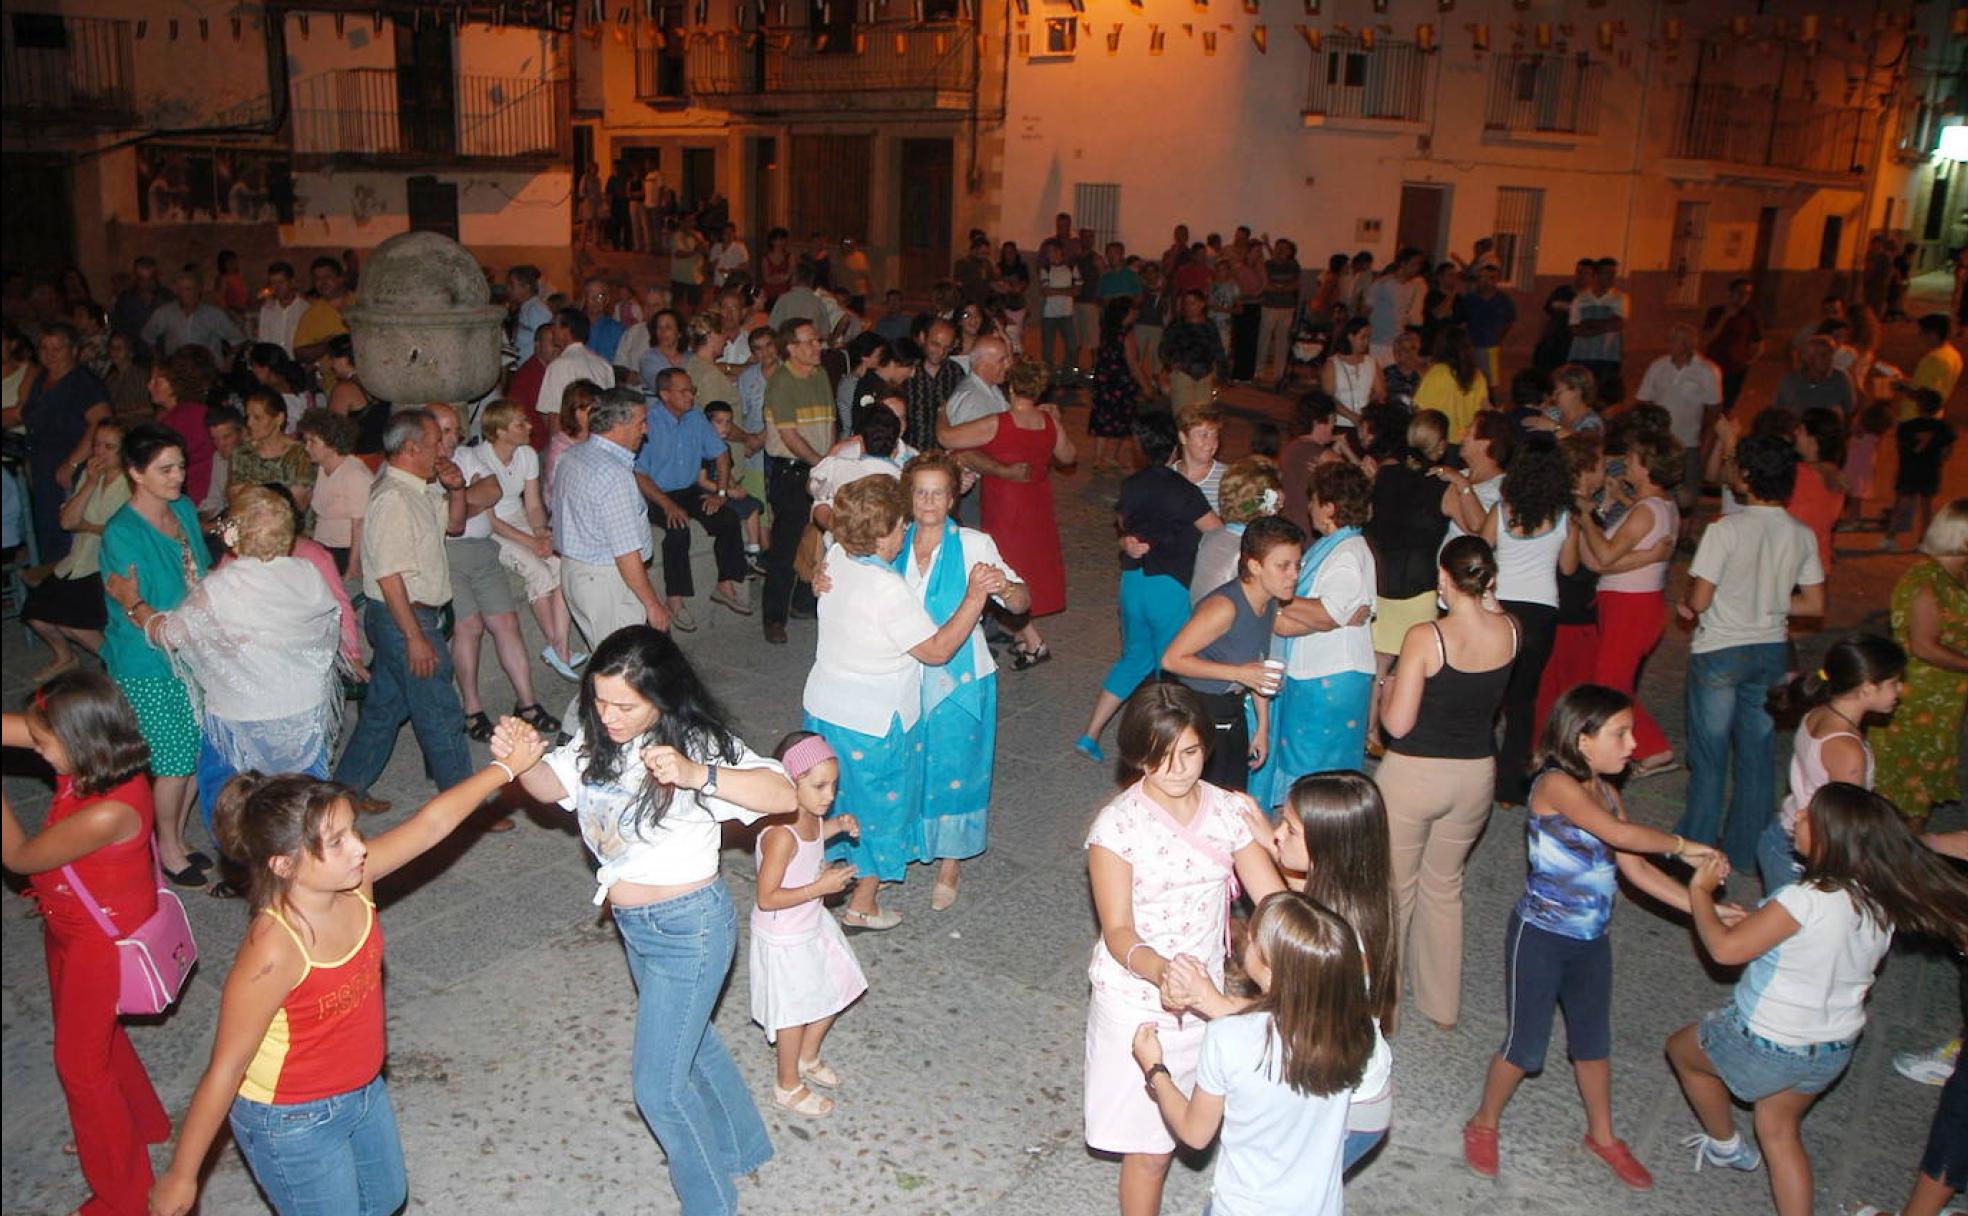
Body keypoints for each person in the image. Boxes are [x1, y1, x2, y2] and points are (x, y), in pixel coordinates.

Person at [148, 722, 547, 1216]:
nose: (358, 847)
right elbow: (225, 1069)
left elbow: (430, 825)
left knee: (385, 1199)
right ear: (283, 865)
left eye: (352, 831)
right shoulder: (274, 950)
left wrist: (507, 768)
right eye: (335, 842)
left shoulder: (356, 881)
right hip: (291, 1119)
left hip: (362, 1087)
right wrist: (183, 1175)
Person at [513, 626, 788, 1211]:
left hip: (690, 928)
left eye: (623, 705)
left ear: (660, 698)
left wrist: (698, 776)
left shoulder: (696, 742)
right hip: (637, 929)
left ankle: (710, 1202)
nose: (607, 715)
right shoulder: (599, 736)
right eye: (599, 700)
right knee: (695, 1041)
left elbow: (782, 794)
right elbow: (550, 786)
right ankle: (743, 1144)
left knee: (658, 1091)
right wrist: (522, 762)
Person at [1667, 784, 1968, 1216]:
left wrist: (1700, 892)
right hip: (1832, 1047)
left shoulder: (1803, 899)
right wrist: (1761, 922)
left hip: (1767, 1041)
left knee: (1682, 1050)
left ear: (1828, 839)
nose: (1799, 813)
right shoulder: (1878, 899)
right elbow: (1816, 942)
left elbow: (1724, 951)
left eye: (1810, 813)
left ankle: (1725, 1144)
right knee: (1778, 1128)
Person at [1463, 685, 1720, 1190]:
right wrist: (1686, 845)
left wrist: (1703, 905)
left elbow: (1636, 870)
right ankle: (1483, 1122)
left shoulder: (1608, 792)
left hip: (1591, 941)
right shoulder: (1555, 786)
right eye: (1621, 733)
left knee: (1593, 1043)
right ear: (1583, 739)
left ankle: (1602, 1136)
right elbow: (1621, 836)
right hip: (1539, 937)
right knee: (1524, 1046)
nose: (1633, 745)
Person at [1084, 682, 1285, 1216]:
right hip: (1138, 995)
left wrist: (1284, 847)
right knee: (1149, 1150)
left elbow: (1273, 903)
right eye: (1161, 757)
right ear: (1136, 755)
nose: (1178, 769)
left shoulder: (1228, 811)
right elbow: (1119, 930)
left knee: (1193, 1131)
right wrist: (1163, 971)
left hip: (1205, 996)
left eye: (1191, 753)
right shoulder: (1115, 829)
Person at [0, 673, 169, 1216]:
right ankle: (138, 1124)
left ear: (77, 740)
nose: (38, 753)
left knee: (80, 1064)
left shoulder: (106, 809)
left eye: (44, 745)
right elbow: (24, 730)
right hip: (71, 923)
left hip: (100, 940)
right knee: (97, 1037)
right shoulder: (94, 752)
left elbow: (21, 859)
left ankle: (122, 1197)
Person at [805, 474, 1004, 930]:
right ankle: (863, 901)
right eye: (899, 526)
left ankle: (827, 876)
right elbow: (936, 650)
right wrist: (975, 599)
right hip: (875, 719)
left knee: (836, 797)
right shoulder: (885, 586)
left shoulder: (837, 556)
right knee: (878, 807)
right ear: (880, 532)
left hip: (825, 708)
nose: (903, 533)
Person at [107, 481, 354, 844]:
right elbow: (321, 628)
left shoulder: (223, 586)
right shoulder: (306, 573)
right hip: (303, 711)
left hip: (241, 720)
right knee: (304, 802)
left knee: (234, 808)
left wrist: (134, 603)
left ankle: (250, 866)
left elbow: (171, 635)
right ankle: (303, 865)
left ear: (234, 536)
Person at [1130, 892, 1372, 1216]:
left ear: (1271, 972)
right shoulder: (1352, 1029)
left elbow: (1195, 1133)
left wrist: (1155, 1070)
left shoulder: (1229, 1039)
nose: (1248, 935)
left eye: (1255, 937)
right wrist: (1208, 997)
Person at [1378, 536, 1519, 1031]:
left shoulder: (1426, 637)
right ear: (1489, 579)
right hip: (1475, 774)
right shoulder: (1511, 631)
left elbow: (1397, 725)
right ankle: (1441, 1006)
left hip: (1416, 774)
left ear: (1443, 579)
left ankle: (1384, 1006)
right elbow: (1493, 610)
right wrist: (1487, 594)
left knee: (1394, 890)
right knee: (1444, 887)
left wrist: (1387, 687)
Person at [1674, 435, 1825, 870]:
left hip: (1721, 648)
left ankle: (1697, 847)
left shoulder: (1726, 529)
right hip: (1771, 650)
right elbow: (1814, 604)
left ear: (1747, 476)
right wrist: (1772, 601)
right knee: (1758, 755)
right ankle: (1745, 851)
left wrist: (1691, 600)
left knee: (1710, 755)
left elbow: (1700, 599)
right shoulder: (1800, 533)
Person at [892, 454, 1030, 910]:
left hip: (961, 677)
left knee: (955, 765)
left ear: (953, 498)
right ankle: (911, 840)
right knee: (910, 760)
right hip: (902, 673)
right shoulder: (892, 540)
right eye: (920, 491)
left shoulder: (974, 543)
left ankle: (951, 860)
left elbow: (1020, 599)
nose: (929, 501)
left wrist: (1004, 589)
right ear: (908, 497)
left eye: (937, 492)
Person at [330, 410, 478, 807]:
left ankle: (345, 789)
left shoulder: (419, 488)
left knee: (383, 709)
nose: (443, 449)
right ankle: (462, 807)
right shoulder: (394, 498)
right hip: (406, 618)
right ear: (411, 448)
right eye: (435, 442)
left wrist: (457, 489)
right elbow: (390, 577)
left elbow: (456, 526)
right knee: (440, 712)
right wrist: (415, 637)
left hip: (409, 616)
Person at [99, 422, 213, 885]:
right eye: (165, 469)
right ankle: (166, 847)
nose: (178, 476)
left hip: (191, 647)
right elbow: (134, 608)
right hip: (147, 660)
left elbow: (199, 573)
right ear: (135, 473)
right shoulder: (121, 532)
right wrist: (144, 608)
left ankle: (178, 837)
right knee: (171, 759)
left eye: (181, 466)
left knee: (192, 749)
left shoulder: (183, 509)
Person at [1077, 414, 1222, 761]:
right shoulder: (1184, 490)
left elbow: (1123, 522)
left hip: (1133, 581)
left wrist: (1132, 541)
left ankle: (1090, 734)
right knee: (1170, 668)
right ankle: (1161, 743)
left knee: (1133, 660)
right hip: (1169, 586)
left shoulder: (1132, 484)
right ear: (1175, 445)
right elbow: (1217, 532)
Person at [749, 732, 868, 1117]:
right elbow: (767, 897)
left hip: (812, 922)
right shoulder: (781, 836)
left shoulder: (813, 817)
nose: (829, 795)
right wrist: (821, 885)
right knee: (793, 1015)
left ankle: (807, 1056)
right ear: (789, 783)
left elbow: (816, 837)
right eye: (818, 785)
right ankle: (786, 1085)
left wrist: (837, 825)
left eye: (834, 785)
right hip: (785, 935)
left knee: (841, 983)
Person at [1253, 461, 1377, 805]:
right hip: (1319, 673)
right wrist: (1323, 614)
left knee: (1319, 777)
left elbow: (1326, 614)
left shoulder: (1348, 554)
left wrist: (1278, 596)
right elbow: (1308, 618)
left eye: (1314, 499)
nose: (1309, 507)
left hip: (1331, 678)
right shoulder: (1336, 547)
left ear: (1330, 507)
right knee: (1311, 769)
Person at [938, 359, 1071, 668]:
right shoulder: (1048, 422)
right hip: (1037, 501)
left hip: (1006, 504)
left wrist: (941, 412)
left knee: (1002, 567)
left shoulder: (999, 422)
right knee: (1026, 566)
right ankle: (1026, 638)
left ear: (1010, 388)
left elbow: (947, 437)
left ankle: (1033, 640)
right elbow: (1068, 455)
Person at [1163, 516, 1303, 792]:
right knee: (1205, 801)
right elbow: (1171, 659)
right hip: (1201, 711)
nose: (1294, 575)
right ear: (1254, 565)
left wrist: (1262, 727)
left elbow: (1258, 668)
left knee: (1231, 798)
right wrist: (1238, 673)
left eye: (1298, 564)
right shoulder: (1224, 607)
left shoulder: (1268, 601)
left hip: (1233, 709)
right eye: (1283, 566)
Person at [1757, 634, 1905, 894]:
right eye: (1894, 682)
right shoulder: (1847, 749)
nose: (1901, 690)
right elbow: (1845, 823)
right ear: (1868, 688)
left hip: (1784, 832)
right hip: (1810, 853)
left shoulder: (1818, 712)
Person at [1574, 430, 1680, 775]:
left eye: (1633, 459)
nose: (1627, 464)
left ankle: (1651, 747)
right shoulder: (1660, 506)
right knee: (1614, 680)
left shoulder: (1645, 511)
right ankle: (1642, 746)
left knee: (1610, 685)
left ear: (1648, 467)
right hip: (1636, 603)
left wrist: (1585, 515)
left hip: (1629, 607)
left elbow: (1603, 556)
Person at [1483, 432, 1581, 806]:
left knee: (1491, 697)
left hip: (1501, 610)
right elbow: (1569, 568)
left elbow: (1482, 548)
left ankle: (1485, 774)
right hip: (1541, 613)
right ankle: (1510, 789)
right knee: (1523, 703)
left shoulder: (1502, 510)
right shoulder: (1563, 518)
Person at [1869, 500, 1968, 824]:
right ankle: (1897, 864)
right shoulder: (1925, 581)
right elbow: (1923, 647)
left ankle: (1905, 863)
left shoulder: (1954, 576)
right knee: (1904, 790)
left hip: (1943, 702)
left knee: (1920, 786)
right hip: (1916, 701)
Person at [635, 368, 753, 629]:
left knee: (727, 518)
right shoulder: (650, 422)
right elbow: (639, 474)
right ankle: (675, 599)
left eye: (692, 390)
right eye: (684, 391)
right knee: (678, 529)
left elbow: (721, 455)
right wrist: (667, 505)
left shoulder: (696, 418)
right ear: (665, 394)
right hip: (656, 492)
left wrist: (720, 493)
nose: (691, 396)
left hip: (688, 489)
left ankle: (725, 584)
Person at [474, 399, 583, 680]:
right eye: (520, 423)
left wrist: (540, 533)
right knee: (537, 572)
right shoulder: (479, 459)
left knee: (562, 566)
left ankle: (559, 645)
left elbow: (533, 504)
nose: (530, 426)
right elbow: (492, 520)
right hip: (494, 528)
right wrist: (530, 542)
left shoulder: (527, 455)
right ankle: (558, 648)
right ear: (499, 431)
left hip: (520, 517)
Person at [553, 387, 670, 646]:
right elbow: (626, 551)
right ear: (620, 424)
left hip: (576, 573)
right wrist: (652, 603)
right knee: (622, 668)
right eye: (641, 422)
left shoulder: (572, 455)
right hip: (607, 582)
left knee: (605, 661)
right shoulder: (614, 474)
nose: (646, 430)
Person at [1361, 403, 1449, 745]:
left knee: (1379, 666)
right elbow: (1478, 527)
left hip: (1384, 581)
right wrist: (1464, 484)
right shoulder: (1441, 486)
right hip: (1419, 586)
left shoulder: (1387, 475)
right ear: (1439, 445)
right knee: (1412, 665)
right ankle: (1398, 728)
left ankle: (1371, 732)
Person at [23, 419, 129, 683]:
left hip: (104, 565)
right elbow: (67, 521)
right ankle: (65, 657)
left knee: (73, 622)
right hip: (76, 561)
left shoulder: (132, 483)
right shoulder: (90, 474)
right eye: (97, 445)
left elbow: (126, 532)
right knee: (37, 616)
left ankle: (119, 666)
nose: (100, 452)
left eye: (109, 447)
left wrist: (89, 526)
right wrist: (90, 484)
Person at [17, 323, 111, 563]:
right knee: (48, 532)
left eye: (58, 348)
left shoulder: (82, 383)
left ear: (74, 350)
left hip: (70, 471)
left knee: (69, 539)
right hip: (42, 469)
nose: (50, 354)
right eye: (45, 348)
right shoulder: (41, 381)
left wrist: (72, 462)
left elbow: (101, 422)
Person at [296, 407, 371, 579]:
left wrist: (353, 566)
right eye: (306, 441)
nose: (307, 447)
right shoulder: (322, 468)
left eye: (312, 442)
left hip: (345, 550)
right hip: (322, 544)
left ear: (331, 443)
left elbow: (360, 524)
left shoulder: (354, 474)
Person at [1885, 389, 1956, 552]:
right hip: (1930, 469)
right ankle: (1923, 540)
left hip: (1909, 468)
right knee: (1926, 506)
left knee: (1901, 502)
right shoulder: (1943, 428)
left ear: (1918, 406)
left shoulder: (1907, 426)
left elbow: (1901, 447)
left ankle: (1890, 537)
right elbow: (1948, 449)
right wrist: (1940, 458)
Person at [1090, 296, 1151, 472]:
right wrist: (1146, 385)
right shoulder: (1126, 334)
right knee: (1124, 419)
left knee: (1103, 417)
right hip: (1120, 382)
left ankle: (1099, 457)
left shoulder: (1108, 330)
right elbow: (1133, 363)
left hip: (1105, 380)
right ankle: (1111, 456)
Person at [230, 388, 314, 510]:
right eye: (248, 416)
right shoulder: (243, 453)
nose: (249, 423)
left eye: (257, 418)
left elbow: (299, 502)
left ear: (279, 418)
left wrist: (253, 492)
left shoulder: (301, 453)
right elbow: (237, 498)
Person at [536, 308, 617, 426]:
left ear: (566, 330)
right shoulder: (603, 364)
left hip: (570, 435)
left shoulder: (559, 365)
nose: (552, 330)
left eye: (555, 325)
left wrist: (556, 442)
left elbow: (554, 414)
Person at [139, 270, 242, 361]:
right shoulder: (164, 313)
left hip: (207, 372)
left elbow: (237, 339)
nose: (186, 294)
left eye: (190, 289)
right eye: (182, 289)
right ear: (176, 291)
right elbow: (148, 336)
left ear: (199, 290)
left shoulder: (214, 314)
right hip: (177, 371)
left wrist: (229, 361)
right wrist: (159, 360)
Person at [1413, 324, 1489, 443]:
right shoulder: (1477, 375)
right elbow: (1483, 408)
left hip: (1442, 439)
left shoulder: (1437, 372)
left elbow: (1420, 407)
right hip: (1466, 440)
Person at [1567, 257, 1626, 404]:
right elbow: (1575, 329)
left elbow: (1618, 324)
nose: (1611, 277)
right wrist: (1605, 324)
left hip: (1608, 356)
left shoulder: (1621, 298)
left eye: (1613, 273)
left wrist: (1589, 323)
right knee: (1579, 397)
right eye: (1607, 273)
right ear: (1596, 275)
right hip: (1581, 356)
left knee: (1605, 399)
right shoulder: (1581, 298)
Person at [1160, 288, 1227, 411]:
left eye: (1193, 303)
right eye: (1186, 303)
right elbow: (1164, 347)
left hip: (1205, 375)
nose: (1189, 307)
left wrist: (1221, 375)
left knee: (1203, 416)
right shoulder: (1177, 324)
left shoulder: (1209, 325)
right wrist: (1171, 364)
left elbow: (1218, 350)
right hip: (1183, 373)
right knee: (1183, 414)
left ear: (1202, 304)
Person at [1701, 277, 1764, 408]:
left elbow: (1759, 341)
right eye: (1740, 292)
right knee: (1709, 402)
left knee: (1728, 404)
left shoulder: (1750, 315)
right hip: (1714, 365)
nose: (1743, 297)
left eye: (1747, 294)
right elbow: (1707, 338)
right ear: (1730, 293)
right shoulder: (1715, 312)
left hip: (1736, 368)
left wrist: (1750, 361)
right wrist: (1725, 318)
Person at [1321, 317, 1382, 427]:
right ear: (1351, 337)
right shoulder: (1332, 364)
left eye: (1368, 337)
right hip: (1339, 422)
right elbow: (1328, 398)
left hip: (1364, 424)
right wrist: (1351, 416)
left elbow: (1380, 393)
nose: (1366, 342)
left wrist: (1367, 411)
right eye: (1363, 337)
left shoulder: (1372, 363)